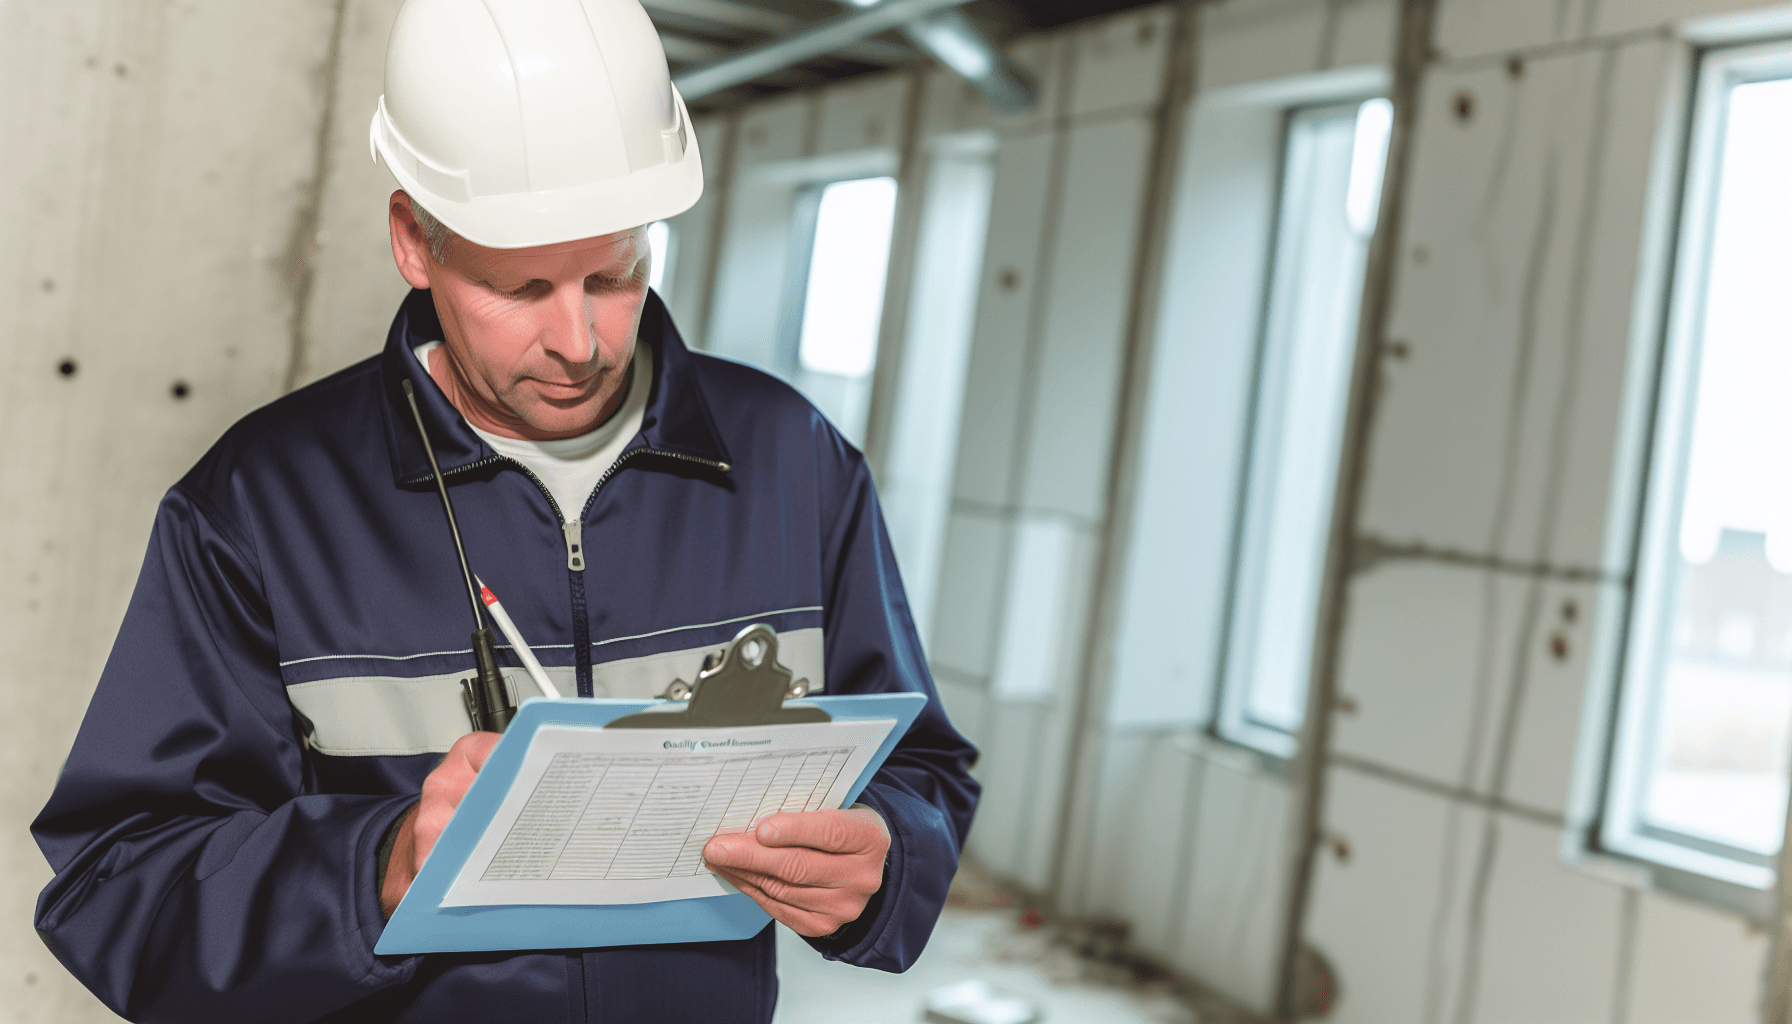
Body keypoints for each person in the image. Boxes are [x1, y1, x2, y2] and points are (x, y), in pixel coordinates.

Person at [29, 0, 979, 1020]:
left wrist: (887, 855)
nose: (578, 339)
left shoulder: (794, 463)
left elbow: (918, 767)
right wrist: (379, 866)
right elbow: (118, 885)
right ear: (414, 241)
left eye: (613, 273)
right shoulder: (261, 504)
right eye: (520, 287)